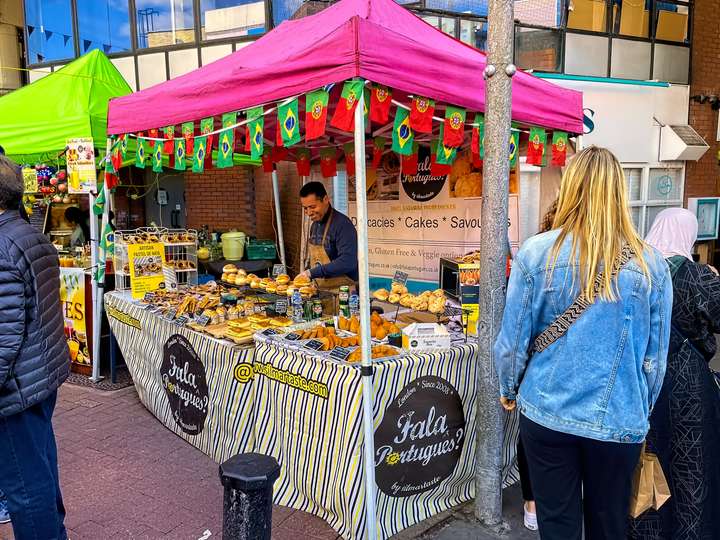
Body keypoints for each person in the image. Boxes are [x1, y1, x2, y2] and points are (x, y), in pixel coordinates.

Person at [494, 146, 673, 540]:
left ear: (572, 188)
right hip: (618, 419)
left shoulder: (537, 253)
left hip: (546, 410)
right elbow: (654, 362)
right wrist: (638, 408)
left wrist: (509, 389)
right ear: (619, 193)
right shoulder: (651, 266)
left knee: (557, 524)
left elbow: (511, 343)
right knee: (609, 525)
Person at [628, 208, 720, 539]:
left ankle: (645, 530)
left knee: (648, 457)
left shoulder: (636, 271)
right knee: (691, 465)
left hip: (642, 380)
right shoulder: (699, 276)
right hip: (689, 386)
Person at [0, 154, 70, 540]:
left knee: (25, 488)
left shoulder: (2, 244)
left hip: (16, 387)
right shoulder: (29, 235)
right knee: (40, 468)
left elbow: (3, 335)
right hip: (39, 376)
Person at [296, 181, 358, 291]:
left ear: (325, 200)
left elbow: (348, 261)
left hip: (343, 293)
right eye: (305, 208)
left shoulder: (343, 225)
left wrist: (312, 273)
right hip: (321, 291)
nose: (309, 212)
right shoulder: (314, 226)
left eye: (312, 206)